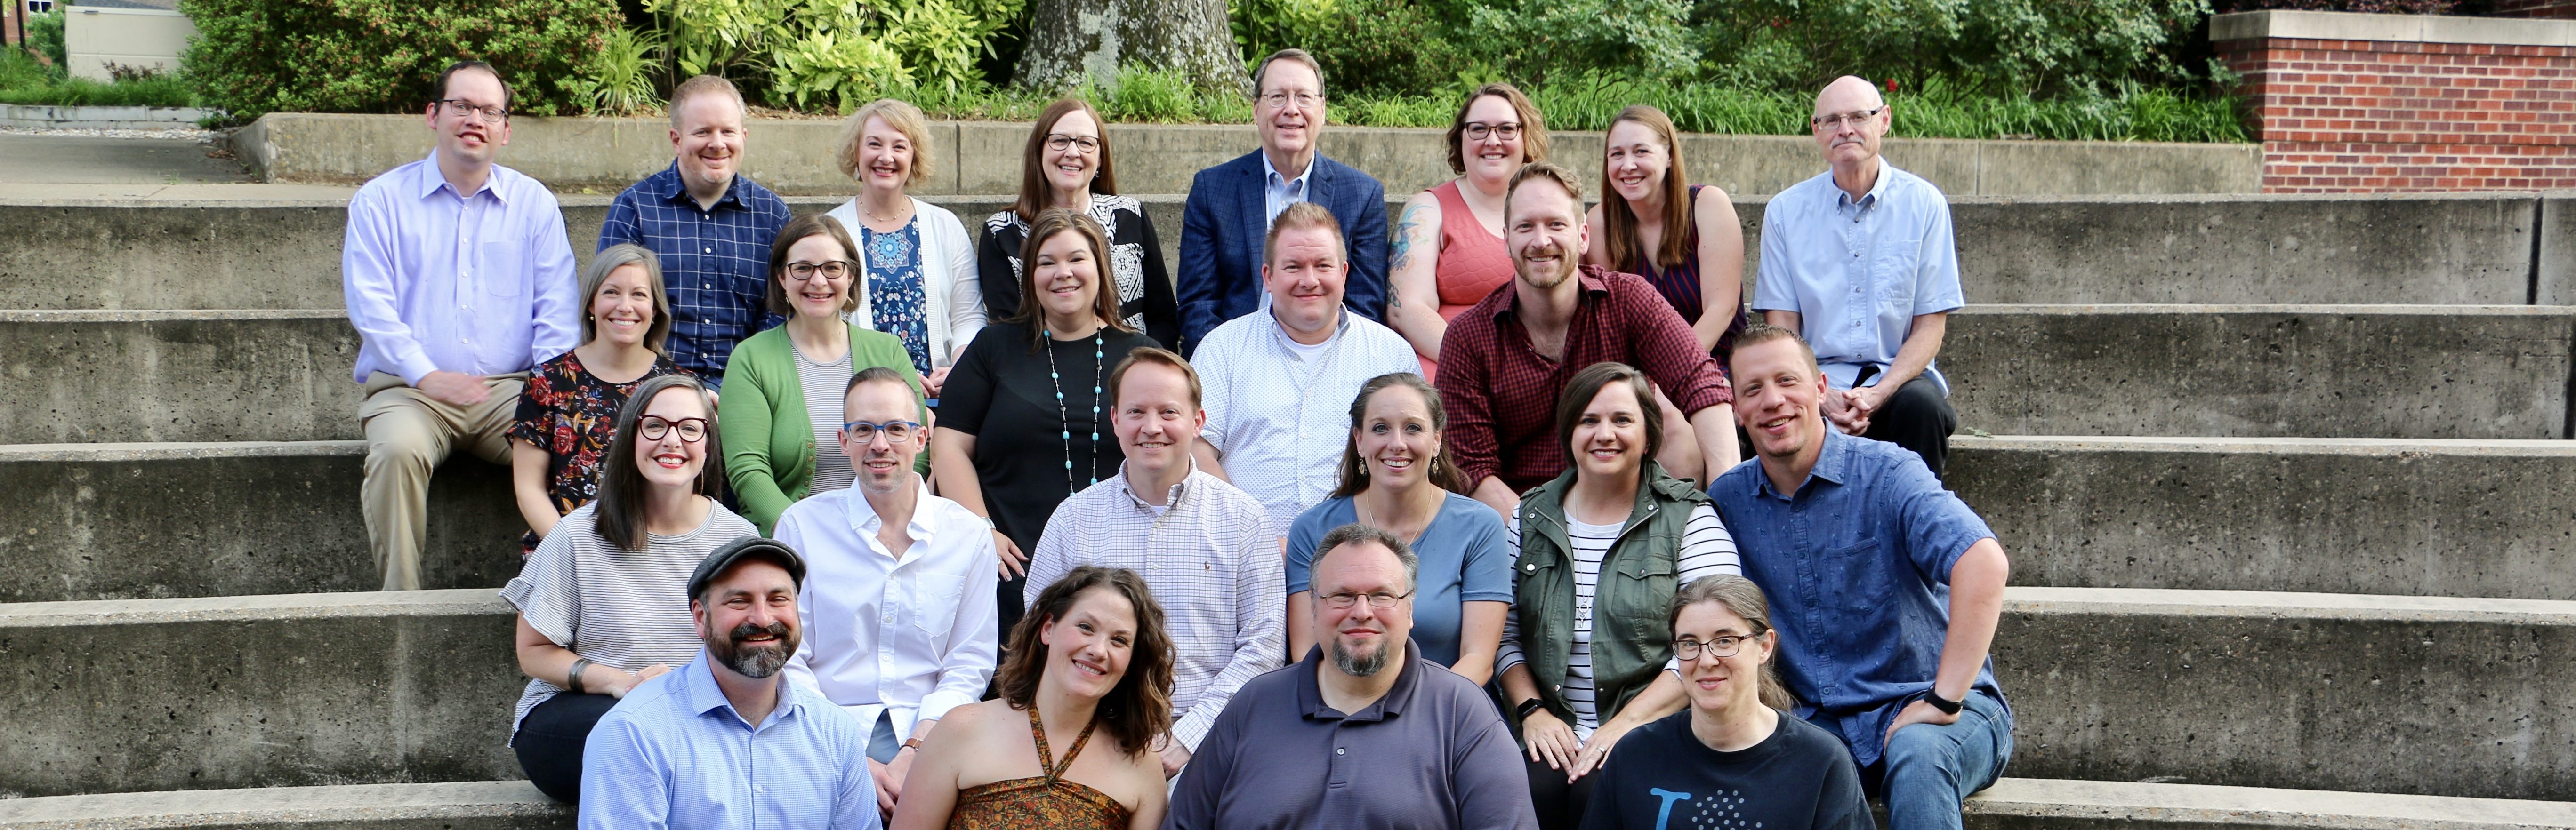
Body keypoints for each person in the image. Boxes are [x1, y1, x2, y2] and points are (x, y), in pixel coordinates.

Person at [1710, 325, 2012, 830]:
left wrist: (1943, 699)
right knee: (1790, 773)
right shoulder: (1729, 500)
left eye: (1788, 381)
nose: (1773, 401)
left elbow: (1983, 562)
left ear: (1821, 389)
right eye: (1753, 389)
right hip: (1822, 720)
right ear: (1737, 409)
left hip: (1935, 705)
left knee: (1918, 757)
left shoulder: (1890, 473)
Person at [345, 59, 580, 591]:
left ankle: (563, 595)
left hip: (510, 392)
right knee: (397, 452)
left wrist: (548, 395)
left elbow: (556, 310)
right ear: (433, 114)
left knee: (576, 439)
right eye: (462, 106)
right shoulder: (381, 201)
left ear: (505, 130)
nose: (476, 119)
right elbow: (372, 308)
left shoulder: (534, 204)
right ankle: (400, 605)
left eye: (490, 110)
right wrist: (428, 376)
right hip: (411, 391)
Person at [1497, 362, 1743, 830]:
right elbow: (1504, 634)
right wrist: (1532, 712)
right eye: (1589, 420)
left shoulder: (1690, 520)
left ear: (1649, 436)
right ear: (1569, 431)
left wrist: (1625, 725)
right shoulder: (1529, 517)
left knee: (1602, 788)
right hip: (1554, 725)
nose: (1604, 434)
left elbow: (1714, 644)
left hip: (1658, 726)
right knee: (1531, 788)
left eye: (1622, 420)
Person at [1019, 348, 1281, 778]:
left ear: (1198, 422)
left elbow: (1265, 647)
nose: (1152, 427)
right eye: (1137, 411)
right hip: (1089, 742)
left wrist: (1189, 738)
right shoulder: (1073, 519)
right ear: (1116, 420)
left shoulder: (1244, 519)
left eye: (1169, 412)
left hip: (1212, 747)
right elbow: (1038, 633)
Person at [1167, 525, 1537, 830]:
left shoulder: (1462, 713)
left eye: (1381, 596)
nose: (1362, 612)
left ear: (1409, 609)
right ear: (1312, 607)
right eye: (1342, 596)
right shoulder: (1254, 704)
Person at [1436, 162, 1737, 520]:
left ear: (1583, 237)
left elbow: (1701, 386)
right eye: (1526, 226)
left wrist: (1728, 500)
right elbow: (1473, 469)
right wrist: (1553, 540)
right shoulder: (1469, 337)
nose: (1541, 241)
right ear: (1507, 239)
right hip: (1521, 527)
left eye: (1556, 225)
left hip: (1632, 513)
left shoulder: (1630, 300)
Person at [503, 374, 754, 802]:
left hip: (698, 713)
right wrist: (622, 683)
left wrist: (679, 688)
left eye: (690, 428)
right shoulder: (578, 535)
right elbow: (534, 652)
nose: (672, 441)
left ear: (709, 442)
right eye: (654, 425)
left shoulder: (739, 542)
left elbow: (751, 655)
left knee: (692, 736)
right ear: (629, 437)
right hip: (586, 714)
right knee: (633, 734)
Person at [777, 367, 1000, 815]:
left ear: (921, 439)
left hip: (937, 734)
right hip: (824, 730)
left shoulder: (968, 534)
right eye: (863, 430)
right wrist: (848, 757)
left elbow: (969, 663)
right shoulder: (801, 527)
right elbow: (790, 657)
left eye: (896, 429)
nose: (880, 445)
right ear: (844, 443)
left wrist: (917, 750)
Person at [935, 209, 1161, 631]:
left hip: (1119, 563)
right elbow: (949, 444)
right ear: (1029, 277)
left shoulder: (1140, 354)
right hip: (1010, 562)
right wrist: (982, 532)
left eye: (1077, 259)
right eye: (1046, 262)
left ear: (1100, 268)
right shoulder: (994, 347)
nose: (1063, 274)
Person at [579, 537, 881, 829]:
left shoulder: (837, 731)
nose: (762, 619)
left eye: (778, 600)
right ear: (700, 618)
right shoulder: (634, 731)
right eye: (739, 602)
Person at [1753, 76, 1964, 477]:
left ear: (1883, 120)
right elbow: (1782, 329)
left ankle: (1916, 533)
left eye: (1858, 117)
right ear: (1817, 131)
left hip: (1897, 380)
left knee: (1923, 410)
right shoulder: (1785, 212)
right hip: (1813, 381)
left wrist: (1879, 394)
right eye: (1831, 120)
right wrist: (1821, 394)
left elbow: (1930, 328)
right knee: (1769, 410)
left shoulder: (1925, 204)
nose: (1845, 130)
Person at [1190, 202, 1422, 532]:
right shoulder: (1221, 349)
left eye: (1322, 266)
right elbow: (1196, 451)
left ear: (1343, 273)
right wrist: (1254, 537)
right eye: (1294, 267)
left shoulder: (1390, 355)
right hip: (1242, 551)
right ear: (1268, 277)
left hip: (1364, 554)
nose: (1309, 280)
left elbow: (1414, 457)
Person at [889, 566, 1175, 830]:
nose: (1099, 651)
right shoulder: (961, 729)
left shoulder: (1142, 766)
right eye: (1086, 627)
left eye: (1119, 640)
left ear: (1132, 662)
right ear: (1048, 629)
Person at [1578, 575, 1871, 830]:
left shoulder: (1820, 760)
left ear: (1765, 646)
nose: (1706, 661)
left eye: (1725, 641)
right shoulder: (1636, 754)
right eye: (1690, 644)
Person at [1283, 373, 1509, 685]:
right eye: (1380, 429)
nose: (1397, 444)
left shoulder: (1480, 526)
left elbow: (1478, 660)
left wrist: (1411, 717)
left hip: (1448, 710)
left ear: (1437, 440)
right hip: (1340, 711)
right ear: (1360, 441)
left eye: (1413, 428)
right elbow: (1308, 654)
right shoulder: (1312, 529)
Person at [720, 214, 929, 534]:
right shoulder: (751, 359)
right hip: (791, 542)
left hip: (884, 534)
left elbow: (916, 450)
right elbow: (749, 471)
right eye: (802, 268)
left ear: (850, 278)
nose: (818, 281)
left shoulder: (888, 351)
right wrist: (806, 536)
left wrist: (884, 528)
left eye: (832, 268)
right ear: (781, 279)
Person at [1176, 48, 1388, 354]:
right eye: (1277, 97)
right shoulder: (1212, 189)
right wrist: (1226, 363)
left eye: (1304, 97)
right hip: (1236, 361)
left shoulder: (1362, 195)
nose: (1292, 109)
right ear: (1256, 109)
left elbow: (1364, 309)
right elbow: (1199, 305)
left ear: (1323, 110)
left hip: (1329, 359)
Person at [596, 74, 792, 391]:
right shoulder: (635, 208)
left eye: (728, 131)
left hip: (749, 385)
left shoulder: (772, 215)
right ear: (676, 139)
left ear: (743, 136)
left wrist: (743, 390)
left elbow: (781, 312)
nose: (718, 144)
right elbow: (616, 309)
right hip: (649, 384)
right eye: (703, 132)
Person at [509, 245, 697, 554]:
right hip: (564, 547)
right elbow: (529, 489)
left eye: (639, 295)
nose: (625, 306)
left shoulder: (678, 386)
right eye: (612, 292)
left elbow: (690, 488)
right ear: (592, 305)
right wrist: (575, 550)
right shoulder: (548, 379)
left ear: (655, 309)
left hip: (652, 550)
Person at [978, 97, 1181, 349]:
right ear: (1039, 150)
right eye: (1060, 140)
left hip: (1134, 371)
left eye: (1086, 143)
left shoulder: (1130, 215)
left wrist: (1147, 370)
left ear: (1100, 158)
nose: (1073, 152)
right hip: (1046, 377)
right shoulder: (1002, 232)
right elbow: (1009, 330)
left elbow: (1163, 317)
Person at [825, 98, 985, 398]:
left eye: (899, 147)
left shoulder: (946, 226)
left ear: (914, 157)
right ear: (856, 152)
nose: (886, 157)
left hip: (942, 395)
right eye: (874, 144)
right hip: (860, 397)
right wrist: (892, 377)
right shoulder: (830, 231)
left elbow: (968, 316)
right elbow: (821, 326)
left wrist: (959, 370)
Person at [1387, 83, 1548, 377]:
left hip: (1536, 372)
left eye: (1506, 129)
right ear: (1461, 137)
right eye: (1479, 129)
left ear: (1525, 136)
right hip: (1447, 370)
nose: (1493, 140)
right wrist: (1476, 362)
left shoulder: (1550, 208)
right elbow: (1405, 308)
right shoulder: (1426, 210)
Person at [1585, 105, 1748, 365]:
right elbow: (1608, 325)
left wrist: (1672, 375)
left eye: (1641, 151)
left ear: (1670, 156)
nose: (1628, 165)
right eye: (1617, 154)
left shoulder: (1707, 206)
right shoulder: (1600, 223)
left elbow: (1721, 310)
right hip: (1641, 376)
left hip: (1721, 364)